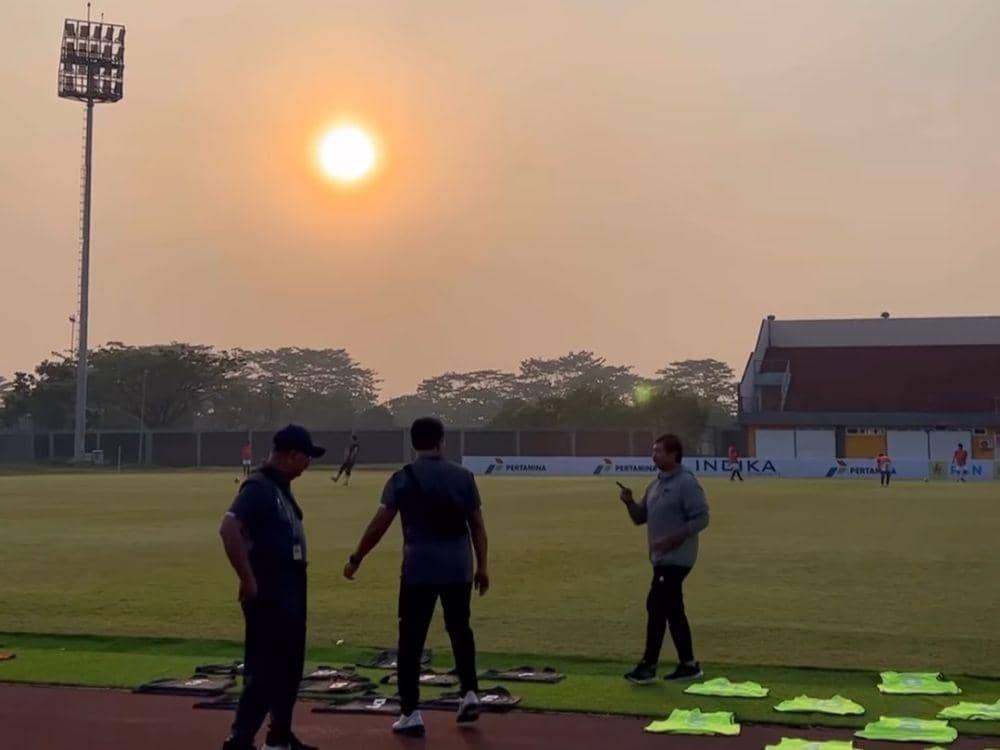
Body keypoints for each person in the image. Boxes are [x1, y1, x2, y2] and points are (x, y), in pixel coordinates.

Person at [343, 417, 489, 737]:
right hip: (458, 568)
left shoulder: (403, 478)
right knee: (460, 630)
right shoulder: (462, 477)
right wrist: (482, 566)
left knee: (410, 641)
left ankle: (411, 713)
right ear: (441, 442)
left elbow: (379, 524)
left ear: (413, 443)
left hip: (418, 569)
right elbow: (477, 525)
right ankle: (469, 693)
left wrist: (356, 558)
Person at [219, 425, 325, 750]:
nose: (309, 463)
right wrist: (248, 578)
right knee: (265, 669)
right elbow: (229, 527)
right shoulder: (260, 487)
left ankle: (279, 735)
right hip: (270, 590)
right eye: (306, 456)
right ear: (291, 454)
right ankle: (240, 739)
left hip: (290, 588)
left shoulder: (280, 488)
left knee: (289, 667)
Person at [618, 434, 710, 685]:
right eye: (653, 450)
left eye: (658, 451)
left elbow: (701, 518)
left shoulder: (686, 483)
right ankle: (689, 665)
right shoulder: (655, 485)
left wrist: (672, 539)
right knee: (672, 609)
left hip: (677, 558)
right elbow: (640, 518)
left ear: (673, 454)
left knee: (656, 606)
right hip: (660, 558)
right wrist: (628, 503)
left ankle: (648, 666)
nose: (654, 455)